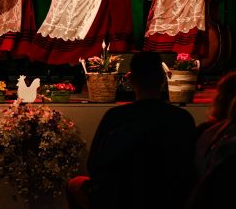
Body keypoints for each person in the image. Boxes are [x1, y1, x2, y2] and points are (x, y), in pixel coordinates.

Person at [67, 51, 197, 209]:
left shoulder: (115, 118)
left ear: (131, 79)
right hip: (169, 198)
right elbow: (191, 166)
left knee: (75, 184)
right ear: (163, 79)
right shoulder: (182, 119)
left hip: (121, 198)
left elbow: (94, 165)